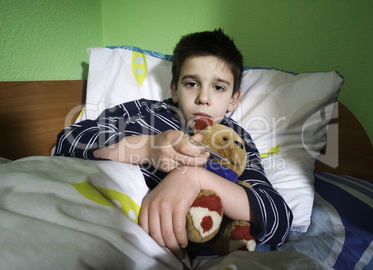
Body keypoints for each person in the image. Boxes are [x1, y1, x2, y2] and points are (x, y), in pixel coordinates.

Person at [54, 29, 293, 259]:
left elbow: (279, 218)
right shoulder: (144, 110)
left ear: (233, 100)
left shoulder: (235, 139)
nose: (204, 98)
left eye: (218, 87)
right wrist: (146, 147)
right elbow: (67, 143)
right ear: (174, 89)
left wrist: (193, 177)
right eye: (191, 84)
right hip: (104, 221)